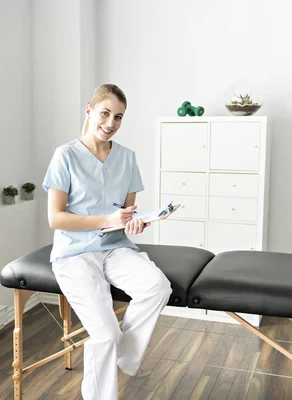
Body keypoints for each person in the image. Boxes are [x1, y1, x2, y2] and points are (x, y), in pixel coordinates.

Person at [42, 83, 173, 400]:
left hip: (115, 248)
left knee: (157, 286)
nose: (110, 123)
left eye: (118, 117)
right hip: (74, 253)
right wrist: (107, 220)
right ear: (89, 112)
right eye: (105, 113)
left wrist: (136, 221)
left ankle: (125, 355)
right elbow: (55, 218)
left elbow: (126, 212)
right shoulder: (66, 156)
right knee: (104, 334)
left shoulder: (127, 158)